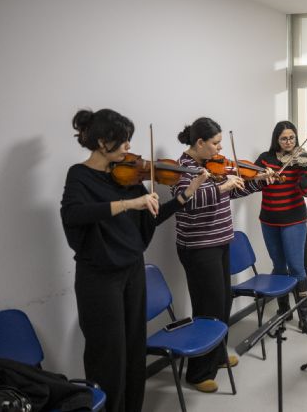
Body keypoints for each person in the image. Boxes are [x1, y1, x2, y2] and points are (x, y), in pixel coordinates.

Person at [60, 109, 207, 412]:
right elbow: (73, 214)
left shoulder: (127, 174)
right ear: (103, 142)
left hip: (132, 270)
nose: (129, 147)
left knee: (134, 349)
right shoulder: (79, 176)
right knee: (108, 355)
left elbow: (149, 217)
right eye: (124, 141)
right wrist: (128, 203)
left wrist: (184, 197)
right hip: (99, 278)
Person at [172, 117, 273, 393]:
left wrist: (259, 181)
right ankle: (197, 372)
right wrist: (221, 188)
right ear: (199, 142)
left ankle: (216, 355)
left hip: (219, 242)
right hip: (198, 247)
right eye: (215, 143)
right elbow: (187, 202)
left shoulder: (212, 165)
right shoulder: (184, 168)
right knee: (207, 308)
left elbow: (231, 192)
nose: (219, 149)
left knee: (222, 302)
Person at [254, 121, 307, 335]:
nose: (288, 142)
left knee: (296, 267)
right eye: (284, 138)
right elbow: (253, 182)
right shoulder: (265, 159)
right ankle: (284, 310)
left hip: (294, 220)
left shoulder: (301, 160)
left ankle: (306, 318)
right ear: (277, 139)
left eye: (292, 138)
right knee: (278, 266)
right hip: (269, 220)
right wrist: (262, 176)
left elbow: (304, 191)